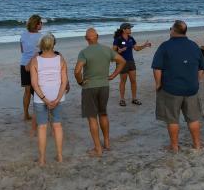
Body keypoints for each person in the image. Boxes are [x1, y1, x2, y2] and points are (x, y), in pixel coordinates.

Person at [152, 20, 204, 152]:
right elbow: (203, 68)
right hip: (191, 88)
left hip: (171, 89)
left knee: (172, 119)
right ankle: (197, 144)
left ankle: (174, 146)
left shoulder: (165, 46)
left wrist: (158, 84)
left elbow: (157, 68)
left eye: (171, 28)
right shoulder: (194, 45)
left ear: (173, 30)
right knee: (193, 118)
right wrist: (196, 80)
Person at [74, 28, 126, 157]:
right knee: (103, 114)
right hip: (104, 86)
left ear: (86, 39)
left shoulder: (84, 52)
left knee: (92, 118)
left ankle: (98, 149)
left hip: (89, 87)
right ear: (97, 37)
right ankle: (107, 143)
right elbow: (122, 61)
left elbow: (77, 71)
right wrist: (113, 75)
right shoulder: (106, 49)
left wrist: (80, 82)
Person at [30, 33, 68, 166]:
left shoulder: (35, 60)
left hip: (41, 98)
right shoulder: (60, 59)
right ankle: (60, 156)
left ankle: (42, 159)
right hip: (57, 97)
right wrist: (57, 98)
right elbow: (64, 82)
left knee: (42, 127)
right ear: (53, 45)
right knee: (57, 126)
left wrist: (45, 99)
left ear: (41, 45)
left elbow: (34, 84)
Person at [112, 23, 151, 106]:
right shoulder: (118, 39)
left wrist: (145, 45)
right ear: (124, 30)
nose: (130, 29)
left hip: (131, 62)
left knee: (133, 81)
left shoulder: (131, 38)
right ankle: (122, 99)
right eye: (129, 28)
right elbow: (113, 52)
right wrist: (119, 51)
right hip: (121, 63)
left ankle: (134, 99)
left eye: (130, 28)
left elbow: (136, 48)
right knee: (123, 81)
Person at [20, 14, 43, 121]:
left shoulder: (23, 35)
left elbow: (22, 50)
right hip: (36, 64)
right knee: (38, 89)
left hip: (24, 64)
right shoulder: (41, 37)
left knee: (27, 91)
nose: (42, 24)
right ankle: (39, 113)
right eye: (40, 23)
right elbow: (43, 52)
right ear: (37, 25)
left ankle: (25, 114)